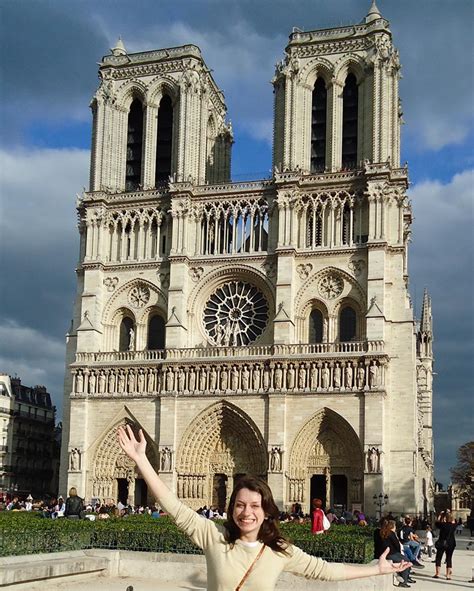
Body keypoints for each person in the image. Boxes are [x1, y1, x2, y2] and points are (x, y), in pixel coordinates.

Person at [117, 425, 411, 590]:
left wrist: (376, 569)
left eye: (255, 506)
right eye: (240, 505)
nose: (247, 512)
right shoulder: (213, 537)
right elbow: (174, 506)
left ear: (267, 511)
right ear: (231, 509)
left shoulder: (279, 549)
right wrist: (142, 460)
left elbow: (325, 571)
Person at [379, 520, 415, 588]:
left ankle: (406, 578)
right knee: (406, 561)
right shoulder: (391, 533)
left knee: (406, 559)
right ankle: (404, 581)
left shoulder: (382, 532)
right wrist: (398, 552)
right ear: (393, 526)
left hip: (389, 553)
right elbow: (397, 544)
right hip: (392, 553)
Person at [433, 512, 457, 580]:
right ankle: (448, 575)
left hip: (442, 543)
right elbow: (455, 522)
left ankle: (437, 573)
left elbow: (436, 522)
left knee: (438, 558)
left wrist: (440, 515)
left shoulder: (442, 525)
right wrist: (451, 515)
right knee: (449, 558)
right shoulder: (453, 526)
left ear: (445, 518)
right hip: (451, 543)